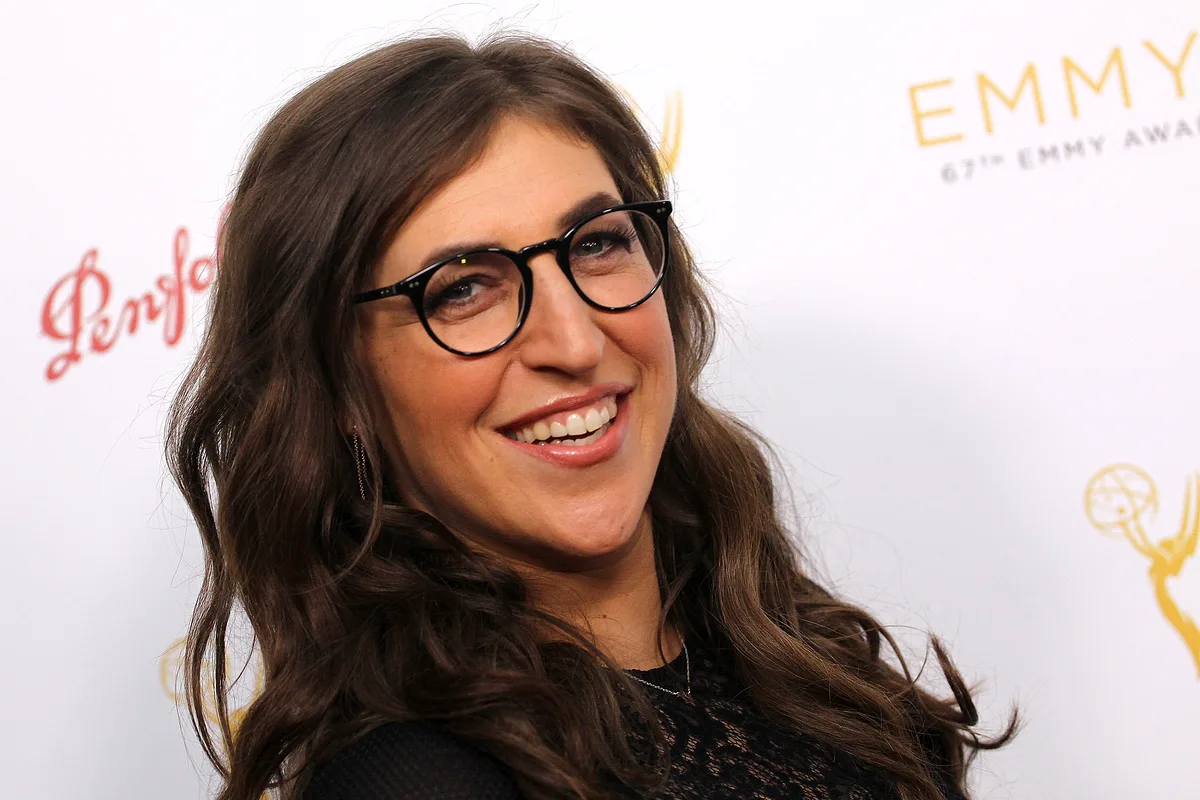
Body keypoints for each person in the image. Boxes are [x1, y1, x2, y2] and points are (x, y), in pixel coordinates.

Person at [165, 31, 1017, 800]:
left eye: (598, 243)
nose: (574, 341)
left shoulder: (806, 668)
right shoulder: (413, 781)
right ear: (339, 389)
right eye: (463, 289)